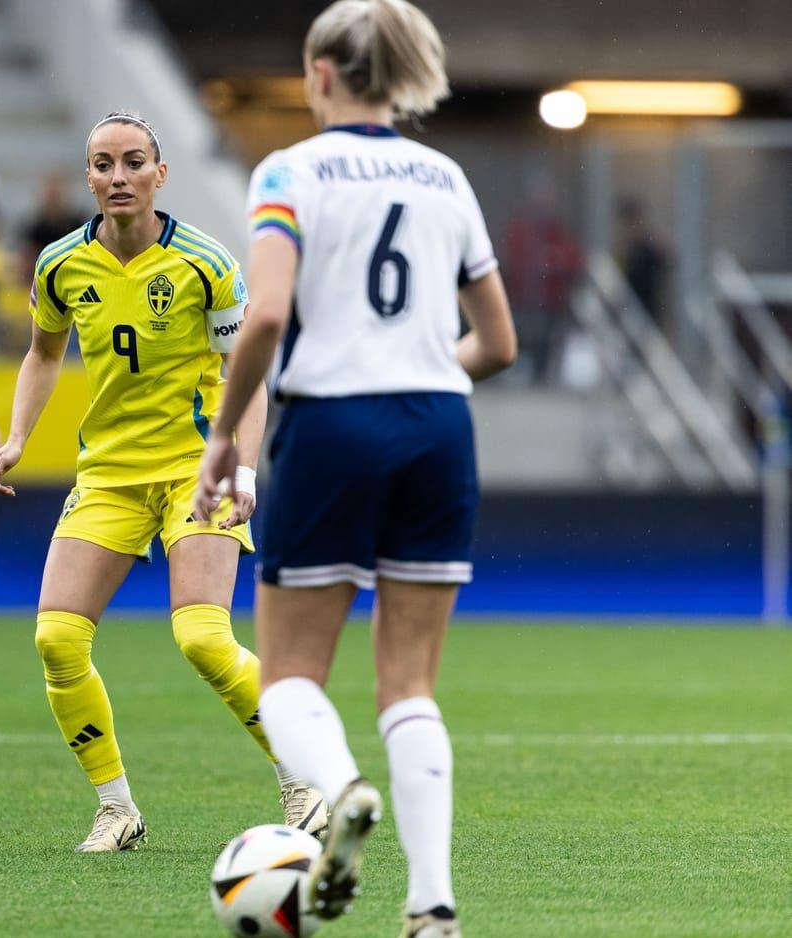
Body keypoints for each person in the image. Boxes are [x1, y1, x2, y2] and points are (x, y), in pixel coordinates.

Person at [194, 3, 517, 935]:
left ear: (323, 74)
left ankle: (338, 793)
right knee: (409, 685)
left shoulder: (289, 170)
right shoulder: (444, 176)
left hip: (330, 426)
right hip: (438, 429)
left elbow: (262, 317)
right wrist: (415, 377)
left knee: (290, 676)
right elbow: (496, 342)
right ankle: (432, 908)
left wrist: (224, 439)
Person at [0, 112, 327, 853]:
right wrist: (16, 437)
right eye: (101, 164)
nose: (116, 176)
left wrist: (241, 467)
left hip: (194, 470)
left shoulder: (206, 264)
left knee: (202, 639)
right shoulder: (60, 264)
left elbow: (247, 373)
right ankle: (116, 809)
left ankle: (303, 778)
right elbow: (43, 355)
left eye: (132, 162)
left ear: (158, 174)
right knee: (55, 640)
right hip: (108, 473)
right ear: (88, 177)